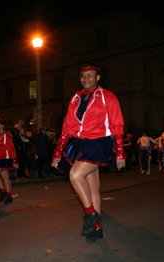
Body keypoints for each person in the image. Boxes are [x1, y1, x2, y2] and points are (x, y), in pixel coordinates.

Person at [51, 63, 126, 242]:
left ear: (98, 77)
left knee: (75, 176)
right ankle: (96, 228)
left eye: (90, 76)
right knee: (93, 187)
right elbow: (67, 127)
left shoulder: (108, 96)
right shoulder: (75, 98)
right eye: (83, 76)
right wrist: (57, 152)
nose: (86, 79)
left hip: (99, 142)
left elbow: (117, 124)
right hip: (80, 143)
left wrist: (120, 153)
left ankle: (90, 215)